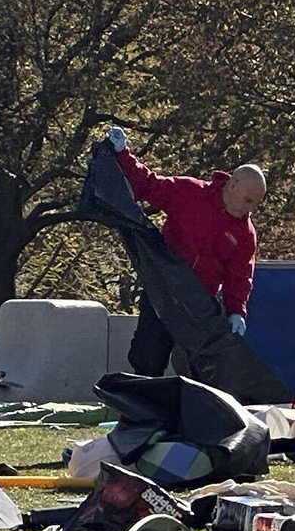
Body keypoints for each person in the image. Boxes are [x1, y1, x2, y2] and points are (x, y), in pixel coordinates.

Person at [106, 125, 263, 375]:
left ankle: (194, 410)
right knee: (148, 356)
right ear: (232, 185)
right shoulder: (190, 193)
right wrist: (122, 153)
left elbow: (240, 277)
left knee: (204, 368)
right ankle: (141, 408)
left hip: (199, 303)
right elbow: (148, 185)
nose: (250, 209)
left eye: (255, 203)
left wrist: (236, 312)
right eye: (248, 200)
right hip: (162, 289)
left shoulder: (245, 233)